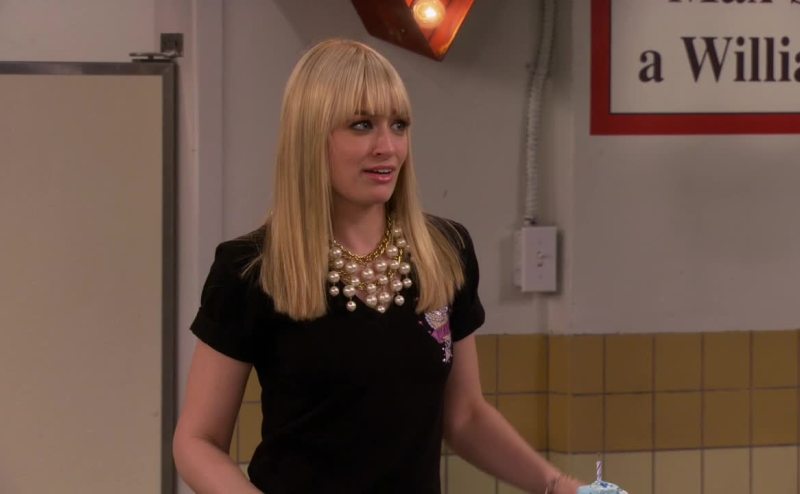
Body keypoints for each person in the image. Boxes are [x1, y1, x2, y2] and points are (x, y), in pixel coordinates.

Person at [173, 38, 580, 494]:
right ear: (311, 136)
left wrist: (559, 486)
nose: (387, 147)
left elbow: (465, 416)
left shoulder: (445, 251)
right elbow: (197, 441)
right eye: (362, 125)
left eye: (399, 125)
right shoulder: (251, 268)